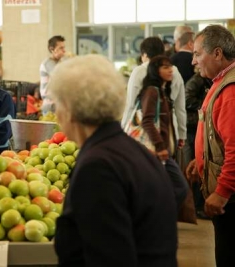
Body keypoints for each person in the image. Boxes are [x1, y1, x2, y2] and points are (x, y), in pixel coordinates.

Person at [48, 54, 178, 266]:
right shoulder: (137, 153)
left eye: (56, 105)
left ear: (69, 110)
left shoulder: (97, 169)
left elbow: (108, 258)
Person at [186, 24, 235, 267]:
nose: (194, 61)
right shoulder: (219, 80)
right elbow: (217, 134)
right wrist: (201, 160)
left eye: (197, 54)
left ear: (217, 53)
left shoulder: (231, 89)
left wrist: (222, 192)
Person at [139, 55, 188, 208]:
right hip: (156, 151)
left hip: (163, 150)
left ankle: (155, 218)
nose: (170, 70)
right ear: (155, 70)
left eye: (170, 66)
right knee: (179, 187)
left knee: (168, 188)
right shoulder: (152, 92)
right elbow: (147, 120)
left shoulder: (162, 91)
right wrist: (160, 146)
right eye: (165, 67)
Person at [121, 37, 187, 151]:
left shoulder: (139, 71)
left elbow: (131, 105)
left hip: (145, 132)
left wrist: (123, 130)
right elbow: (180, 107)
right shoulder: (174, 71)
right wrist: (182, 134)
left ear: (145, 55)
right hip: (170, 129)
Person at [185, 69, 212, 219]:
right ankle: (197, 206)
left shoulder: (207, 81)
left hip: (197, 126)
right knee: (195, 168)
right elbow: (186, 98)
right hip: (193, 127)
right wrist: (206, 105)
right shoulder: (197, 80)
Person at [39, 35, 66, 115]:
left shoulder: (60, 63)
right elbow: (60, 76)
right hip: (50, 106)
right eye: (61, 48)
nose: (64, 51)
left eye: (64, 47)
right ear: (52, 49)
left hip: (59, 105)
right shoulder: (48, 63)